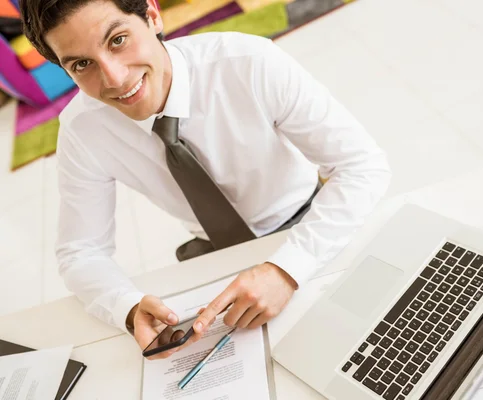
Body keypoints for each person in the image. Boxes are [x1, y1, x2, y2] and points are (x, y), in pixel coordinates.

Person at [20, 0, 391, 357]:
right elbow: (80, 251)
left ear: (152, 15)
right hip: (216, 254)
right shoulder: (82, 128)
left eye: (118, 40)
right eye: (83, 64)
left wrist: (286, 269)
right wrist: (127, 308)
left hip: (312, 227)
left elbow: (362, 166)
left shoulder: (249, 62)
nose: (115, 79)